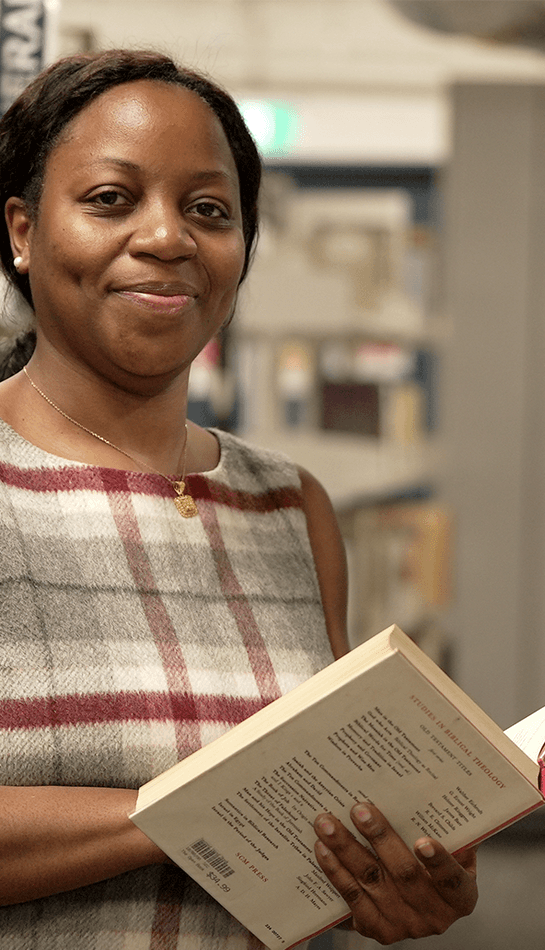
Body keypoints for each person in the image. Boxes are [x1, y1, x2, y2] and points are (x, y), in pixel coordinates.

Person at [0, 50, 478, 948]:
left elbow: (335, 805)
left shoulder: (291, 508)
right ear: (23, 230)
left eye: (208, 210)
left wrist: (393, 879)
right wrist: (203, 808)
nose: (168, 237)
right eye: (111, 199)